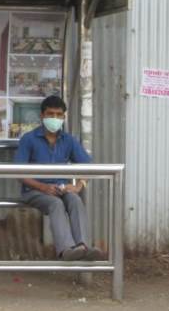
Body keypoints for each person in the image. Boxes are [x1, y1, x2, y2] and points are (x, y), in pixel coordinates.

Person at [15, 95, 104, 261]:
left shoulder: (68, 140)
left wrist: (77, 186)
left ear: (63, 117)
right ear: (42, 116)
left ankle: (84, 246)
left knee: (75, 200)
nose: (54, 118)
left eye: (58, 115)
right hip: (34, 191)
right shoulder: (29, 139)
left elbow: (88, 166)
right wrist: (43, 187)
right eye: (50, 114)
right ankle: (66, 250)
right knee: (55, 203)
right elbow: (19, 173)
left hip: (61, 189)